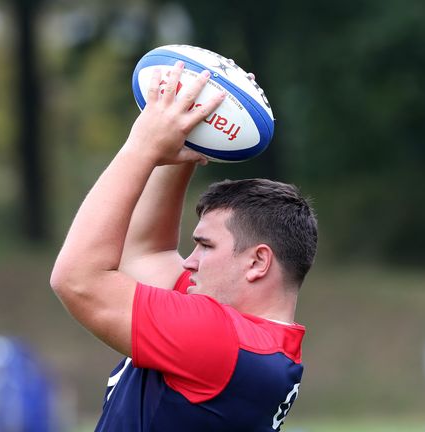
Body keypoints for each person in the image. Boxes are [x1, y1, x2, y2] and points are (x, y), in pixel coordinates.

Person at [50, 61, 318, 431]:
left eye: (205, 246)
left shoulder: (221, 343)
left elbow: (77, 280)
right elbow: (147, 254)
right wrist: (192, 136)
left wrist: (141, 147)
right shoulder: (254, 343)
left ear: (258, 262)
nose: (188, 262)